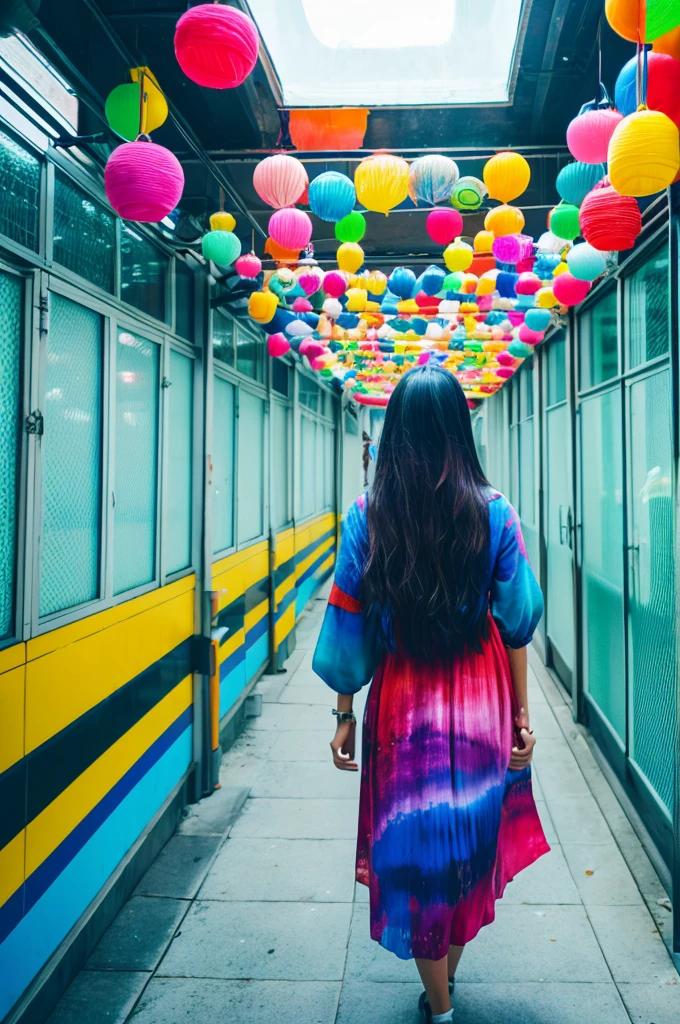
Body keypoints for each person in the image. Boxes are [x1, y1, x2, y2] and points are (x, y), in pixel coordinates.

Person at [313, 364, 548, 1023]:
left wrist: (343, 715)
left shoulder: (369, 515)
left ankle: (439, 1005)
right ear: (459, 432)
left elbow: (348, 620)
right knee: (468, 845)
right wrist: (522, 717)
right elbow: (517, 623)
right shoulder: (496, 513)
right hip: (481, 698)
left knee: (416, 853)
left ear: (395, 436)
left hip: (404, 702)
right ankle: (444, 990)